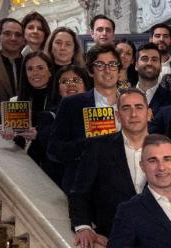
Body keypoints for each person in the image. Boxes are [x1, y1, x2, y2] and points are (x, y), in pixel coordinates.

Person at [68, 88, 152, 248]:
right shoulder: (97, 147)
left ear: (149, 113)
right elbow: (79, 192)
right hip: (110, 240)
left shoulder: (164, 147)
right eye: (126, 108)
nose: (133, 114)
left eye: (139, 107)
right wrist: (83, 226)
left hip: (155, 243)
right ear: (118, 116)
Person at [49, 43, 123, 191]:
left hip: (124, 187)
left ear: (119, 70)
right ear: (90, 71)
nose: (107, 70)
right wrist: (90, 143)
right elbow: (54, 150)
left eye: (112, 64)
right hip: (84, 189)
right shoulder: (72, 104)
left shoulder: (132, 102)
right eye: (100, 65)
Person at [33, 65, 88, 186]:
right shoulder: (47, 117)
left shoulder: (100, 112)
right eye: (64, 81)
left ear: (86, 85)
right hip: (60, 183)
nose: (71, 84)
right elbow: (56, 151)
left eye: (76, 80)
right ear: (58, 89)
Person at [134, 43, 171, 110]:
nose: (149, 63)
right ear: (136, 65)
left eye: (154, 60)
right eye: (145, 59)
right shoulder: (123, 97)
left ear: (160, 67)